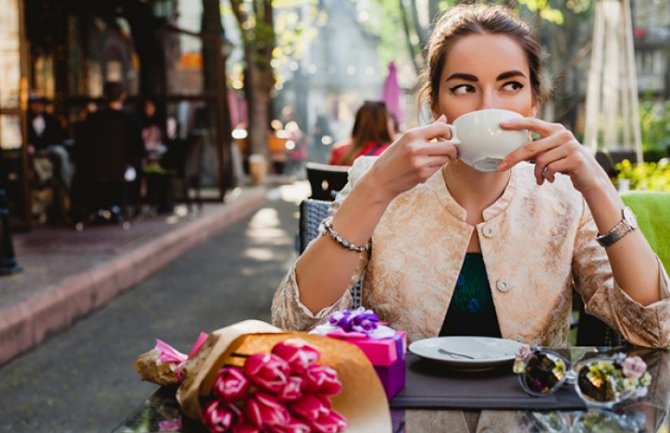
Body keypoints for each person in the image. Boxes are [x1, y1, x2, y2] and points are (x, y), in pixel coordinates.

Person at [272, 4, 670, 348]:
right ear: (435, 103)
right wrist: (374, 188)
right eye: (464, 88)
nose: (488, 106)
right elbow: (295, 326)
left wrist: (597, 185)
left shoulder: (566, 196)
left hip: (527, 414)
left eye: (510, 85)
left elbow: (657, 328)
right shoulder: (381, 181)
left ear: (533, 101)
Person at [328, 101, 393, 166]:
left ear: (357, 123)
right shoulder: (390, 155)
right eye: (389, 118)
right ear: (384, 124)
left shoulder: (338, 151)